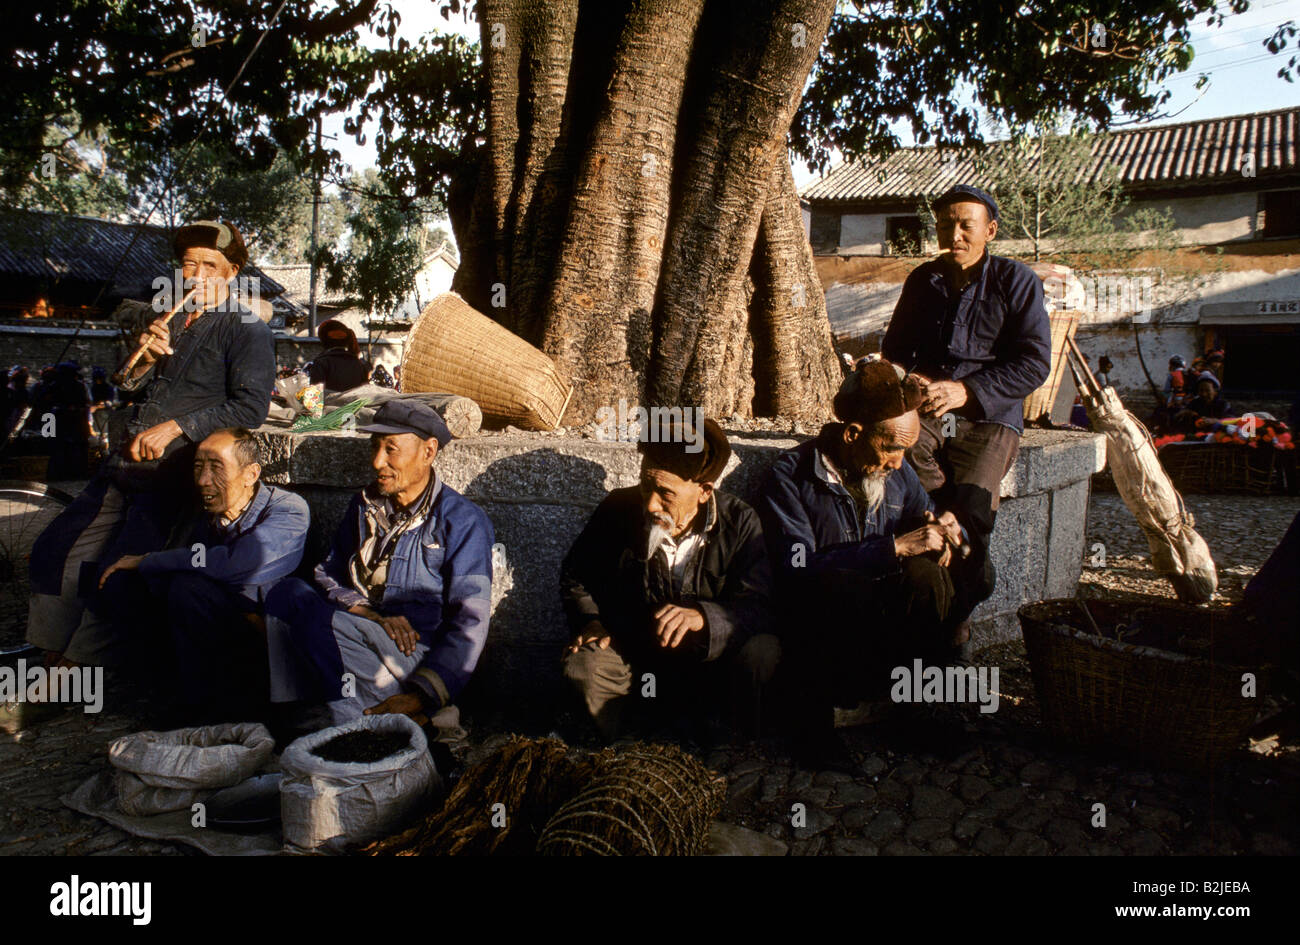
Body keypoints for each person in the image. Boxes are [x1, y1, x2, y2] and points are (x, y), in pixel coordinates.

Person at [26, 219, 276, 667]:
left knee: (117, 567)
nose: (197, 275)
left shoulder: (247, 329)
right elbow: (126, 385)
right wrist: (143, 359)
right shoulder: (171, 318)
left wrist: (175, 427)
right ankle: (51, 645)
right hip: (125, 465)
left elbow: (251, 407)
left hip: (173, 473)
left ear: (232, 272)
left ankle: (75, 666)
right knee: (58, 545)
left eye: (210, 266)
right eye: (189, 264)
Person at [758, 359, 976, 767]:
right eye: (891, 448)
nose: (898, 463)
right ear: (853, 434)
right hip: (822, 628)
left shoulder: (896, 472)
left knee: (930, 576)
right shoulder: (790, 477)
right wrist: (892, 549)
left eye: (905, 450)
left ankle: (920, 712)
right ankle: (813, 730)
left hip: (881, 622)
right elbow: (797, 567)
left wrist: (945, 527)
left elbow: (922, 511)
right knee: (844, 584)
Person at [880, 183, 1051, 654]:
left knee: (972, 508)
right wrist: (911, 379)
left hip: (990, 416)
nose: (952, 235)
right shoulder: (923, 280)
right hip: (931, 409)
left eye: (964, 226)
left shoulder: (1017, 281)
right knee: (902, 462)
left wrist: (968, 390)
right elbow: (896, 350)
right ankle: (938, 564)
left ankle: (957, 616)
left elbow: (1035, 362)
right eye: (944, 226)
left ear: (989, 231)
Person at [264, 400, 493, 731]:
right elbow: (328, 573)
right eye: (375, 447)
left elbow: (470, 622)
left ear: (428, 452)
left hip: (413, 653)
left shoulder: (462, 520)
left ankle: (355, 726)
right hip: (363, 630)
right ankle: (299, 711)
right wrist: (369, 613)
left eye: (390, 449)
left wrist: (423, 694)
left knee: (318, 622)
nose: (376, 462)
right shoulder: (365, 505)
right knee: (286, 594)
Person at [560, 418, 774, 741]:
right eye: (646, 486)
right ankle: (621, 742)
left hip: (709, 666)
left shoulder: (739, 523)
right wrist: (590, 621)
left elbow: (759, 606)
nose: (650, 504)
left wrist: (705, 617)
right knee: (585, 667)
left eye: (665, 493)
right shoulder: (618, 510)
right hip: (637, 658)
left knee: (763, 652)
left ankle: (730, 744)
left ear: (703, 492)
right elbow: (577, 575)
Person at [95, 428, 309, 721]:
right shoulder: (203, 511)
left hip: (262, 639)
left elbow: (239, 565)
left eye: (216, 468)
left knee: (187, 588)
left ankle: (214, 710)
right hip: (212, 623)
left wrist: (151, 561)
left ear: (250, 474)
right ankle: (168, 692)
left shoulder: (288, 510)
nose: (203, 480)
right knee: (124, 583)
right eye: (198, 468)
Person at [308, 319, 371, 392]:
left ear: (323, 340)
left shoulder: (321, 363)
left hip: (329, 400)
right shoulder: (359, 364)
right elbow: (365, 393)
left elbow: (315, 394)